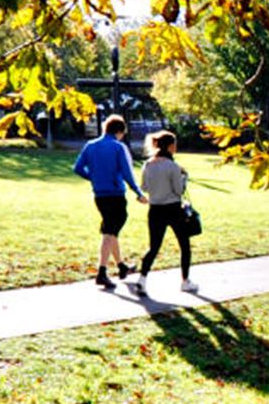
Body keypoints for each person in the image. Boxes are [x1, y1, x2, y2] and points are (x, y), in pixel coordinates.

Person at [73, 114, 141, 287]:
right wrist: (138, 192)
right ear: (120, 131)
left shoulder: (91, 145)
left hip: (100, 195)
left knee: (111, 230)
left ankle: (121, 265)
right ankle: (101, 271)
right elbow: (126, 173)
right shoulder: (118, 147)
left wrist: (94, 178)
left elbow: (78, 168)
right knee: (109, 232)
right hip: (115, 194)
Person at [135, 130, 197, 296]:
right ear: (170, 146)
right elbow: (178, 191)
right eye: (174, 144)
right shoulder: (173, 166)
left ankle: (142, 279)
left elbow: (144, 188)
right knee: (184, 245)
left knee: (154, 247)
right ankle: (185, 281)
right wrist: (184, 178)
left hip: (155, 210)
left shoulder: (148, 164)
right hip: (173, 209)